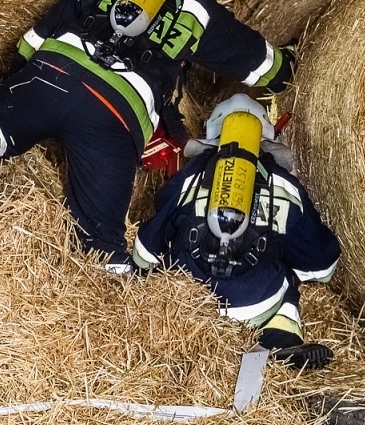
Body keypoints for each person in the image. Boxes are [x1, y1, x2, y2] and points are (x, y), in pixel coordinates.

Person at [0, 0, 293, 271]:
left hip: (51, 73)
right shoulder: (199, 8)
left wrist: (10, 82)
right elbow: (260, 65)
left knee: (5, 116)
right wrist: (289, 63)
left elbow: (35, 38)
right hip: (113, 111)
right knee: (99, 237)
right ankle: (112, 268)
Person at [130, 94, 339, 370]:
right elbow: (322, 268)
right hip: (255, 302)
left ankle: (178, 344)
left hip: (188, 306)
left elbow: (145, 254)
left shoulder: (188, 180)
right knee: (287, 275)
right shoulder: (286, 187)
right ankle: (280, 340)